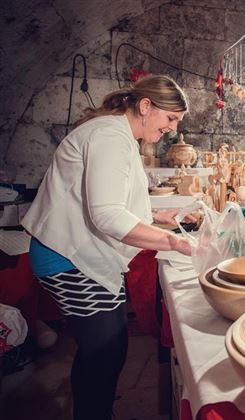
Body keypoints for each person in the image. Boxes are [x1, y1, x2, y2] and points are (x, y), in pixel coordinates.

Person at [21, 75, 193, 420]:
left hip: (81, 252)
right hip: (67, 255)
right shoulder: (108, 136)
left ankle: (97, 412)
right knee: (102, 352)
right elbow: (106, 214)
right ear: (145, 107)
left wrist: (158, 216)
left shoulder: (121, 136)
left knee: (110, 349)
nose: (172, 129)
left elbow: (112, 198)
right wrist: (172, 241)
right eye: (170, 118)